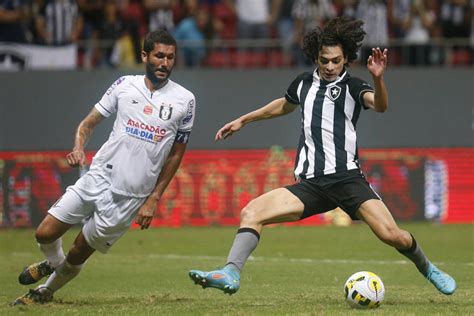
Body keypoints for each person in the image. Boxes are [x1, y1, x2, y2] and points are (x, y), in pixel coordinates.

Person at [188, 16, 456, 296]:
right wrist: (244, 119)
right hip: (311, 185)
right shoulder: (304, 84)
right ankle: (230, 272)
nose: (329, 66)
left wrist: (378, 79)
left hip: (347, 180)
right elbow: (283, 105)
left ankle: (428, 268)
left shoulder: (353, 87)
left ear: (346, 60)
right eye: (324, 60)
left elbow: (380, 105)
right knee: (251, 212)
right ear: (316, 58)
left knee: (393, 235)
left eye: (336, 61)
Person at [12, 29, 196, 305]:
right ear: (145, 55)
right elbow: (88, 124)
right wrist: (77, 147)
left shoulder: (185, 100)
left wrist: (153, 198)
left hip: (130, 196)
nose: (165, 63)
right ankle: (53, 261)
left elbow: (176, 154)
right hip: (98, 176)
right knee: (44, 233)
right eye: (159, 55)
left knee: (79, 252)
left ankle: (44, 292)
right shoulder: (124, 85)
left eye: (170, 57)